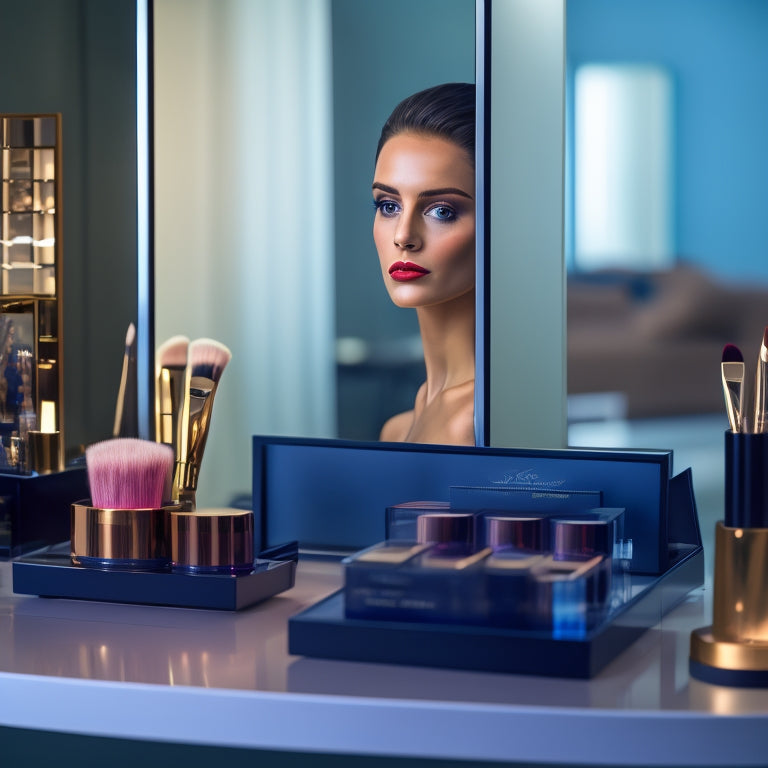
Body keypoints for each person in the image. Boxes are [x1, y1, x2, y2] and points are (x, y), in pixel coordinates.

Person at [373, 82, 476, 446]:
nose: (404, 235)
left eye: (442, 211)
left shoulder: (474, 423)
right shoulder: (398, 429)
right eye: (388, 205)